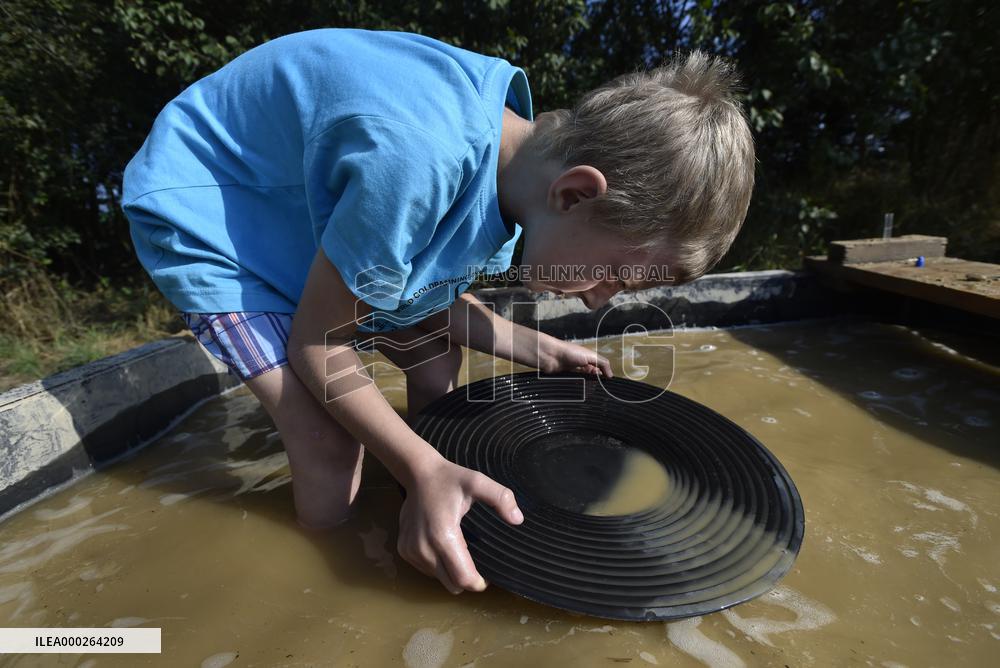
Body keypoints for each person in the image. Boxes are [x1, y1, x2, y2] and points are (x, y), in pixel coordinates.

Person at [120, 28, 755, 596]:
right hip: (212, 215)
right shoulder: (419, 165)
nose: (595, 297)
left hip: (300, 219)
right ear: (576, 193)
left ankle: (435, 498)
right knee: (327, 440)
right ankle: (330, 576)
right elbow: (318, 342)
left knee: (435, 357)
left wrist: (544, 350)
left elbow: (434, 298)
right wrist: (420, 465)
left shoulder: (516, 182)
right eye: (614, 274)